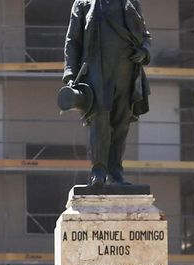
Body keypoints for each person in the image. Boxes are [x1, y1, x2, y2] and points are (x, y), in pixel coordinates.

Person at [63, 0, 152, 187]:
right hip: (97, 72)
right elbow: (73, 40)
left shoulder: (129, 3)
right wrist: (70, 73)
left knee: (121, 124)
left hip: (126, 72)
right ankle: (99, 171)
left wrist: (144, 52)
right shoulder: (83, 3)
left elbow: (145, 36)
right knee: (99, 121)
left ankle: (116, 173)